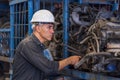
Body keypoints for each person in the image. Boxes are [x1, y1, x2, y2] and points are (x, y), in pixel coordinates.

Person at [13, 9, 80, 80]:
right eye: (49, 27)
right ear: (38, 28)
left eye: (52, 27)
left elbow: (44, 71)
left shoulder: (41, 47)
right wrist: (70, 60)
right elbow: (49, 67)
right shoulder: (28, 45)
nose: (52, 31)